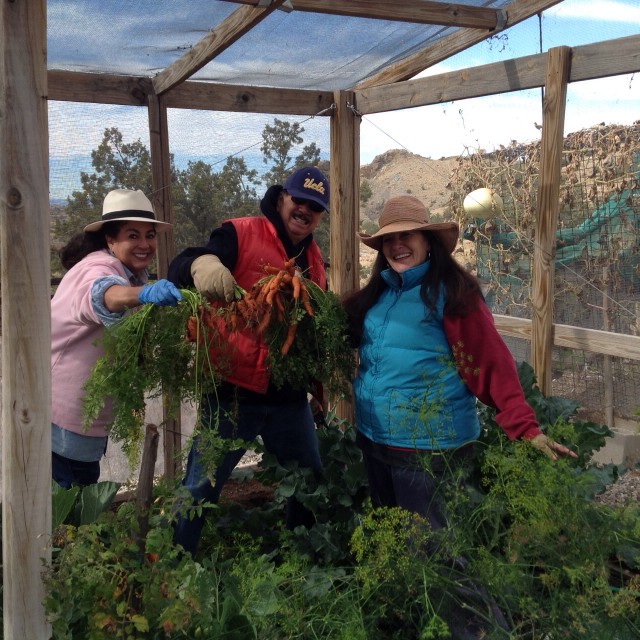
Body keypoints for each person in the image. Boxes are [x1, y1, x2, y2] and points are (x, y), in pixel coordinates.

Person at [341, 195, 577, 637]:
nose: (396, 246)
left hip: (429, 447)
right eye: (389, 240)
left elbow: (492, 362)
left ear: (428, 240)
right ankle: (417, 624)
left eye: (406, 236)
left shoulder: (452, 294)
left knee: (437, 554)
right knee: (398, 547)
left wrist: (524, 426)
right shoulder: (379, 295)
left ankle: (484, 632)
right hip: (377, 439)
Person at [168, 165, 330, 556]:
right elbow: (183, 263)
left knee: (307, 479)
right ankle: (172, 562)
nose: (304, 211)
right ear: (281, 200)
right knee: (199, 484)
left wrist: (318, 388)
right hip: (232, 394)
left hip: (287, 399)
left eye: (315, 207)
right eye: (299, 201)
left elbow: (310, 335)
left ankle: (300, 557)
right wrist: (200, 266)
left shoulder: (314, 260)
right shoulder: (241, 232)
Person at [51, 188, 182, 489]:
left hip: (82, 423)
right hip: (63, 425)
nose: (144, 244)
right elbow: (104, 294)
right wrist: (142, 295)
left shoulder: (131, 274)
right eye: (132, 235)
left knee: (77, 507)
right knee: (65, 513)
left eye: (149, 235)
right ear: (110, 239)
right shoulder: (97, 267)